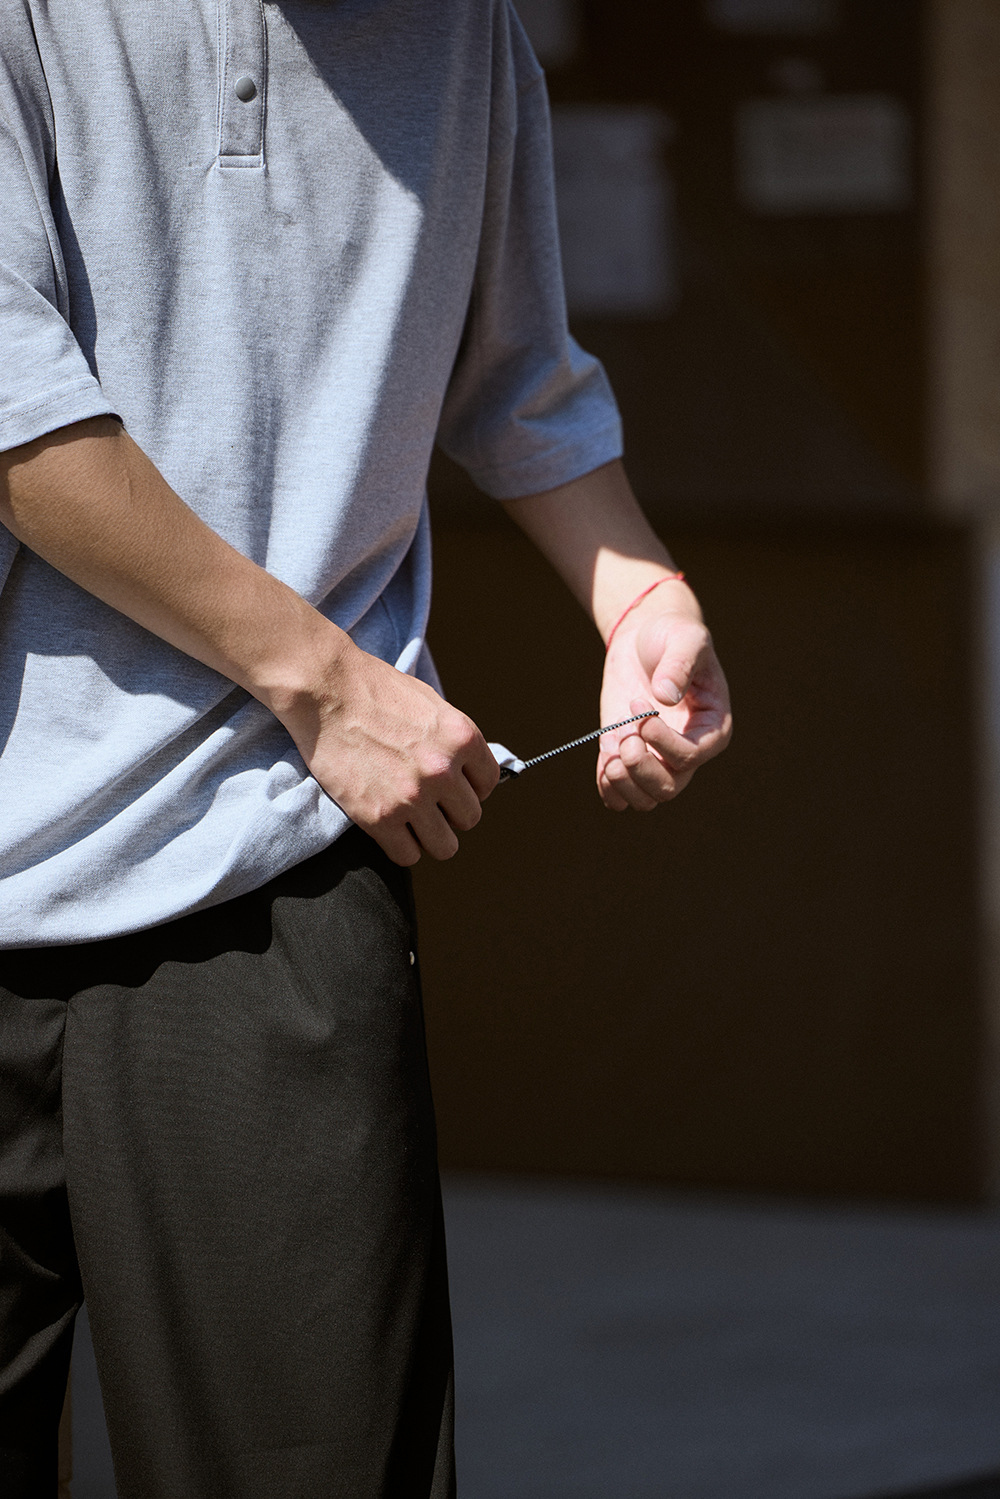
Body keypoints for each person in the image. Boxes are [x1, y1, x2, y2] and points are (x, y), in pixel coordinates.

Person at [0, 2, 731, 1495]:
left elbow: (514, 372)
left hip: (275, 870)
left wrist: (640, 595)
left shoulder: (466, 31)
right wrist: (327, 683)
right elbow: (16, 406)